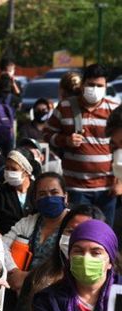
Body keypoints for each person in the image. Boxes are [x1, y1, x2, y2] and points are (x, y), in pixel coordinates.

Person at [44, 63, 121, 225]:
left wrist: (120, 181)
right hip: (76, 187)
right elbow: (47, 134)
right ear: (83, 84)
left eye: (100, 86)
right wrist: (65, 140)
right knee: (77, 231)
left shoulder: (114, 109)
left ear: (106, 86)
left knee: (104, 235)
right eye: (91, 85)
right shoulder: (65, 107)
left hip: (106, 188)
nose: (95, 89)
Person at [3, 172, 69, 294]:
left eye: (54, 193)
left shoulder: (73, 223)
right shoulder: (28, 222)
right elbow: (2, 246)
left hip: (57, 290)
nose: (49, 198)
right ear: (36, 200)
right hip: (21, 291)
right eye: (42, 194)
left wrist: (28, 279)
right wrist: (13, 270)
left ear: (65, 197)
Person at [0, 148, 42, 235]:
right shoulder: (0, 191)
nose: (9, 172)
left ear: (26, 171)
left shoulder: (38, 190)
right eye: (7, 168)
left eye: (14, 169)